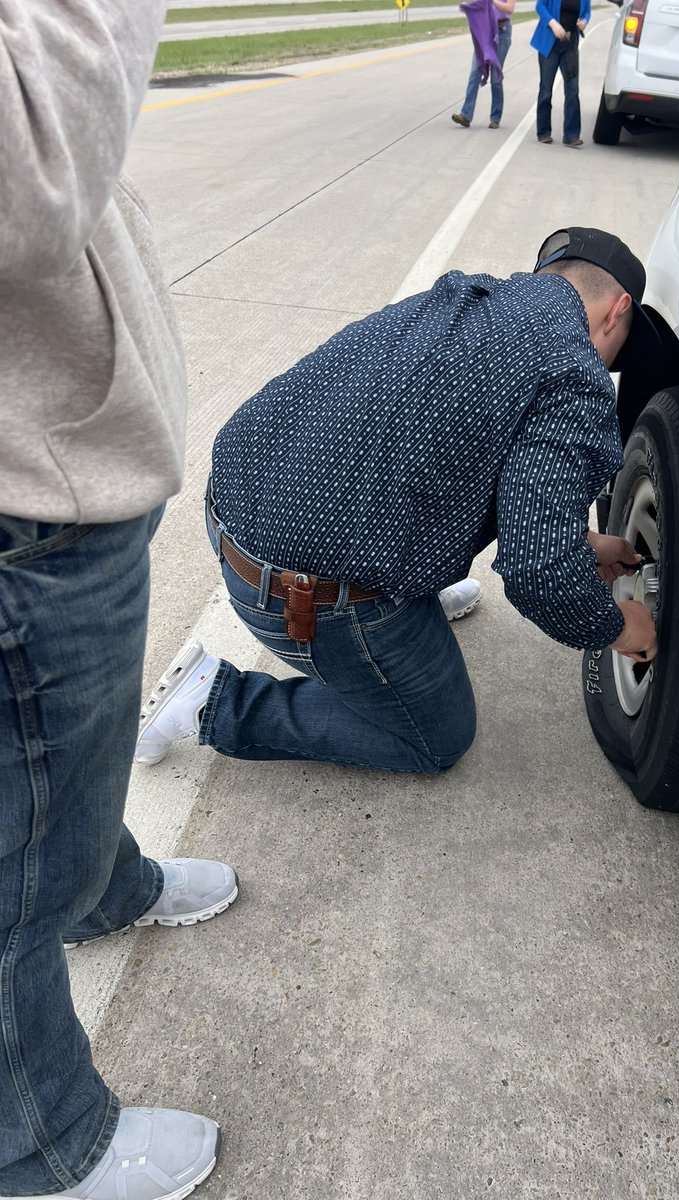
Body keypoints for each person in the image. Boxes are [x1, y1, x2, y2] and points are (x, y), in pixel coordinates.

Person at [134, 227, 661, 777]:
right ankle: (211, 703)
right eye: (619, 346)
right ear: (616, 310)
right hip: (303, 595)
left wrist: (578, 541)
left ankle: (411, 592)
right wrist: (616, 627)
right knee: (438, 737)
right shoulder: (575, 368)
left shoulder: (467, 298)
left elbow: (449, 445)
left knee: (417, 452)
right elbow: (539, 571)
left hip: (234, 508)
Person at [0, 5, 237, 1198]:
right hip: (23, 501)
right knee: (11, 857)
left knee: (61, 790)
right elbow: (30, 173)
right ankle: (39, 1146)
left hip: (55, 460)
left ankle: (107, 888)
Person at [531, 0, 590, 146]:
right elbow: (540, 6)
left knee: (572, 89)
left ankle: (571, 135)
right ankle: (543, 132)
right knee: (546, 89)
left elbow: (587, 12)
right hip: (550, 43)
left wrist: (584, 21)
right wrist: (552, 23)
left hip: (570, 45)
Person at [451, 0, 517, 130]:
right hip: (486, 31)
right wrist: (468, 7)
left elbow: (510, 9)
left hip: (502, 31)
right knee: (475, 72)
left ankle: (495, 118)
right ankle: (465, 115)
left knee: (496, 78)